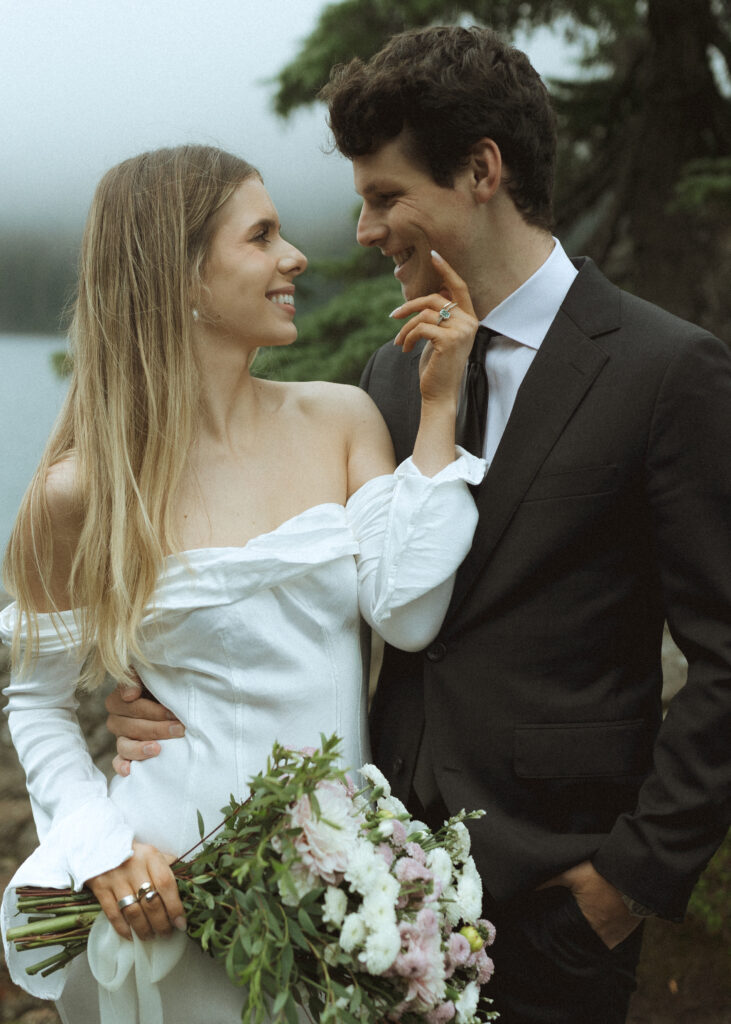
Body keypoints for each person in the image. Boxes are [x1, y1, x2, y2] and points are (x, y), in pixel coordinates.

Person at [107, 27, 731, 1024]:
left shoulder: (663, 371)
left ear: (481, 171)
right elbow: (337, 593)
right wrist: (142, 686)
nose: (361, 229)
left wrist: (627, 880)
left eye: (385, 195)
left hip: (556, 906)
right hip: (367, 890)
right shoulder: (389, 378)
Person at [0, 143, 488, 1023]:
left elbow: (407, 616)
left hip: (340, 890)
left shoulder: (342, 418)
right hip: (168, 897)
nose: (295, 256)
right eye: (261, 236)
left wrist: (441, 405)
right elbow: (35, 704)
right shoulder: (79, 492)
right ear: (181, 275)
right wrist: (102, 850)